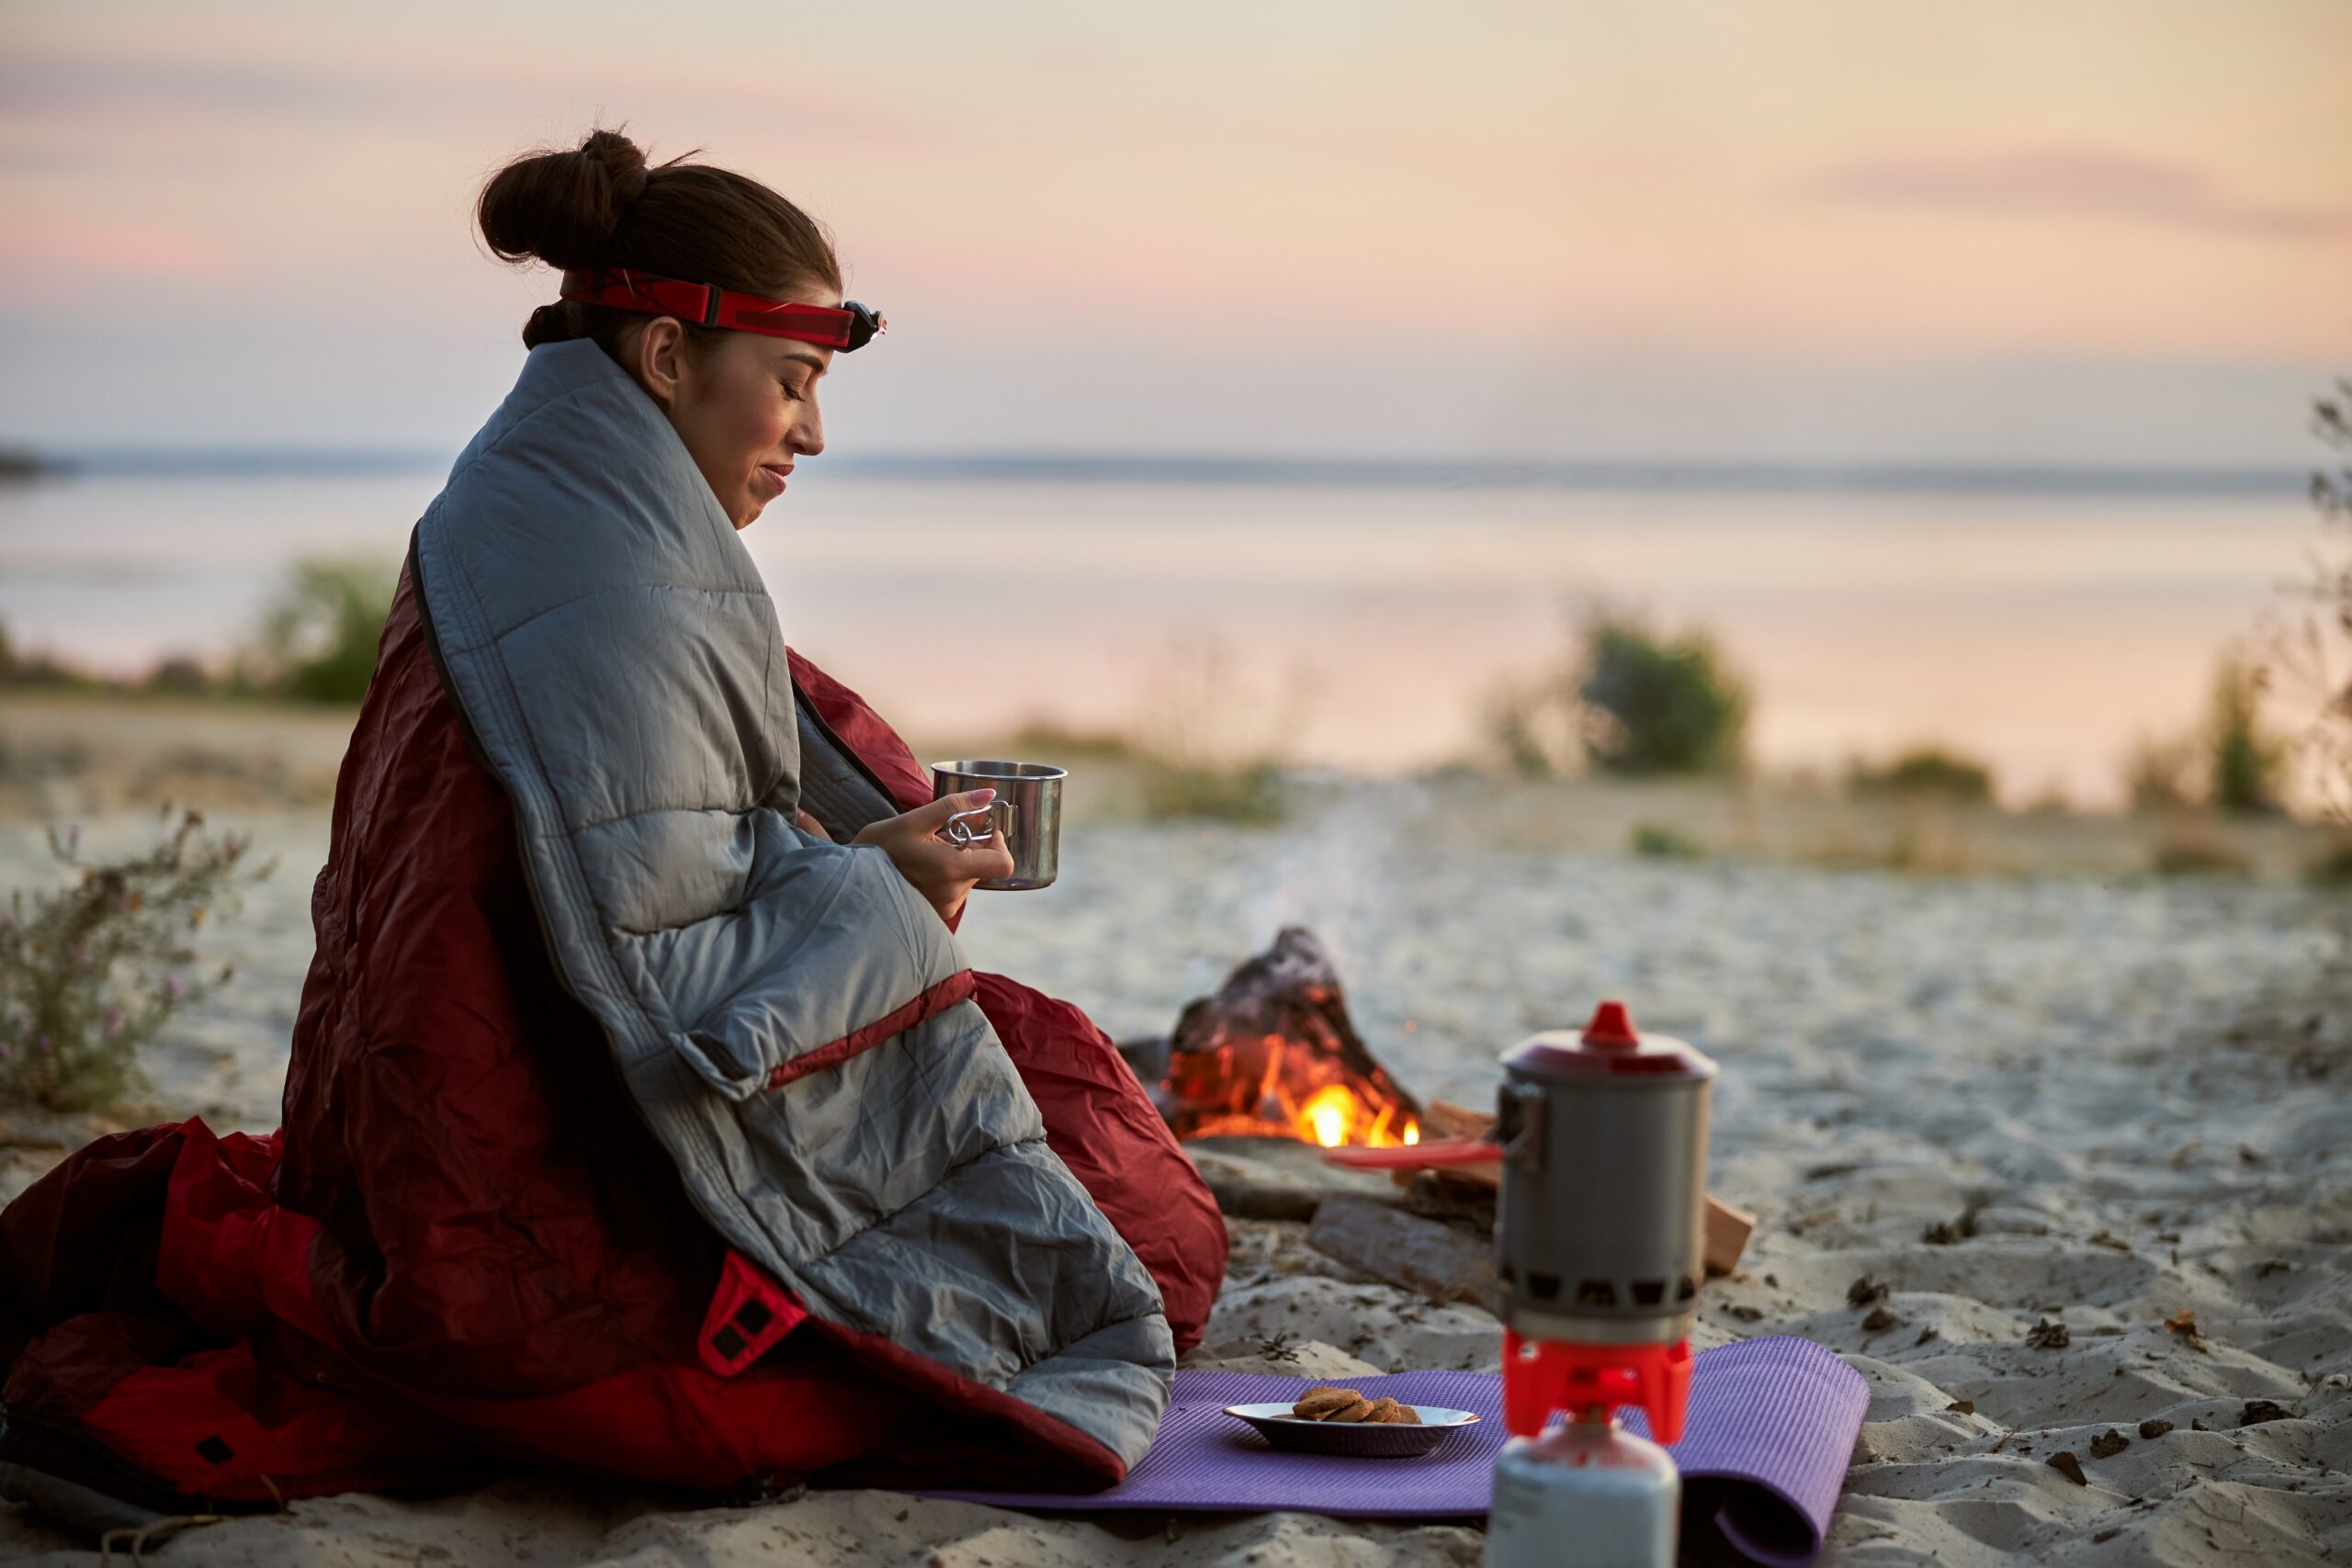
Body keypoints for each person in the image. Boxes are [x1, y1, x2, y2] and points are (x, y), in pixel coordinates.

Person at [0, 130, 1224, 1528]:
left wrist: (866, 840)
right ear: (662, 360)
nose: (813, 434)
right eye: (794, 381)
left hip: (455, 1092)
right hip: (531, 1164)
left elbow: (674, 863)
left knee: (1059, 1111)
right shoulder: (617, 582)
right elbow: (680, 998)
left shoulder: (542, 511)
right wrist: (885, 883)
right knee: (1135, 1220)